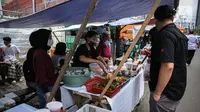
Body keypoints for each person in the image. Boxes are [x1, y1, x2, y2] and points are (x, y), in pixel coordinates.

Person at [149, 5, 188, 112]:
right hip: (176, 88)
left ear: (156, 20)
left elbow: (168, 66)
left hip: (166, 92)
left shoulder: (165, 34)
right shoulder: (179, 34)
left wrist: (157, 93)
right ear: (172, 18)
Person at [30, 29, 59, 108]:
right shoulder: (40, 54)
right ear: (42, 39)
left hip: (46, 84)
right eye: (49, 38)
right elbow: (41, 74)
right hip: (46, 85)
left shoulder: (42, 52)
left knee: (46, 104)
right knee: (47, 105)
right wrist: (47, 91)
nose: (51, 40)